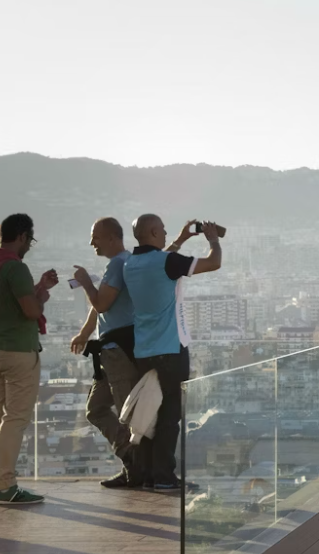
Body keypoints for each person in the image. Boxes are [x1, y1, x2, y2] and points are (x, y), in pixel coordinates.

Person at [123, 216, 222, 491]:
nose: (166, 232)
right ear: (154, 232)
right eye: (163, 230)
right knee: (169, 415)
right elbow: (214, 262)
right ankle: (164, 477)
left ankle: (145, 474)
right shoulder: (166, 263)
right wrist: (212, 239)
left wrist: (179, 239)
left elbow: (160, 261)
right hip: (171, 348)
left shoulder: (132, 264)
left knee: (148, 413)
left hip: (143, 350)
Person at [70, 217, 140, 488]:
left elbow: (99, 303)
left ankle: (140, 468)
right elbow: (102, 305)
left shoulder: (119, 264)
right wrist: (85, 333)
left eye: (95, 238)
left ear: (112, 237)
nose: (91, 243)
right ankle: (130, 459)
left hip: (119, 353)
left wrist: (86, 283)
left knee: (127, 414)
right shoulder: (125, 263)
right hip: (112, 352)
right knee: (96, 408)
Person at [0, 214, 58, 504]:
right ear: (22, 236)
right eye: (30, 240)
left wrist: (39, 290)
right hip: (18, 352)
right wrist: (40, 296)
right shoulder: (14, 268)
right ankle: (5, 485)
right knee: (15, 419)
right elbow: (30, 311)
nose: (29, 246)